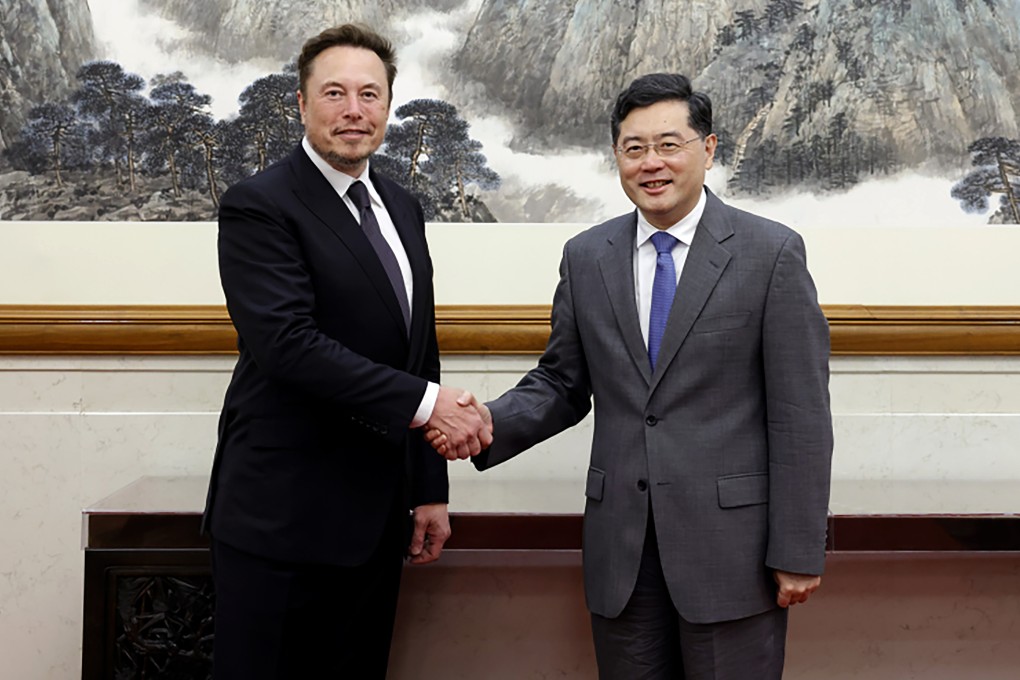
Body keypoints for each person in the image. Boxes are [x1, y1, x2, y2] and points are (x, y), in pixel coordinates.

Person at [431, 73, 833, 679]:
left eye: (669, 144)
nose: (652, 163)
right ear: (617, 156)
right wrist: (489, 422)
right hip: (622, 552)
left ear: (709, 149)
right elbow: (562, 382)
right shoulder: (587, 256)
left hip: (733, 555)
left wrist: (799, 551)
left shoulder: (770, 253)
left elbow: (801, 415)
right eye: (634, 147)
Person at [202, 23, 491, 680]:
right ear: (301, 105)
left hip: (374, 519)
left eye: (370, 93)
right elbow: (286, 346)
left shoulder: (401, 205)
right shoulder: (259, 205)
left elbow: (420, 349)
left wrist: (429, 489)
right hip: (282, 519)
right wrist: (429, 407)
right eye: (334, 93)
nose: (354, 110)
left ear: (389, 105)